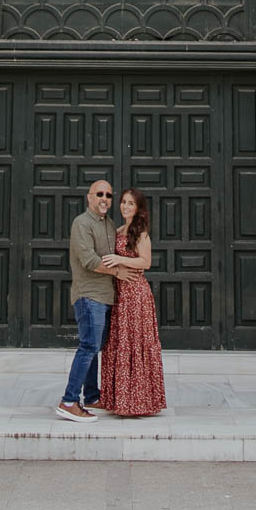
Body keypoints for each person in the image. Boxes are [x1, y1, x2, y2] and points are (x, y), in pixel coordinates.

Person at [97, 187, 166, 417]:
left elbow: (146, 262)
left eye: (130, 204)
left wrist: (119, 259)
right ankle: (120, 400)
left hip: (136, 295)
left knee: (135, 344)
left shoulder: (141, 233)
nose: (125, 206)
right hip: (118, 295)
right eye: (123, 202)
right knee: (119, 343)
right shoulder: (117, 231)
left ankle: (140, 401)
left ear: (138, 209)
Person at [55, 178, 117, 422]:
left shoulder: (110, 224)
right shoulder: (81, 223)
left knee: (94, 348)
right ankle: (69, 400)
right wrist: (117, 271)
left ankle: (91, 396)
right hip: (89, 295)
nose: (104, 199)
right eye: (99, 194)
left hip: (106, 296)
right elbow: (89, 260)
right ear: (89, 198)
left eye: (108, 195)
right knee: (88, 346)